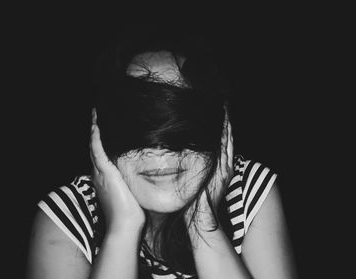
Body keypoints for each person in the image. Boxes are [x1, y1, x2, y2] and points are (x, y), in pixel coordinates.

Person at [26, 28, 297, 279]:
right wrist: (123, 230)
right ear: (102, 133)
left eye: (181, 125)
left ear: (219, 129)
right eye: (136, 124)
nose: (160, 149)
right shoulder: (69, 217)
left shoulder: (248, 191)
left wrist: (205, 226)